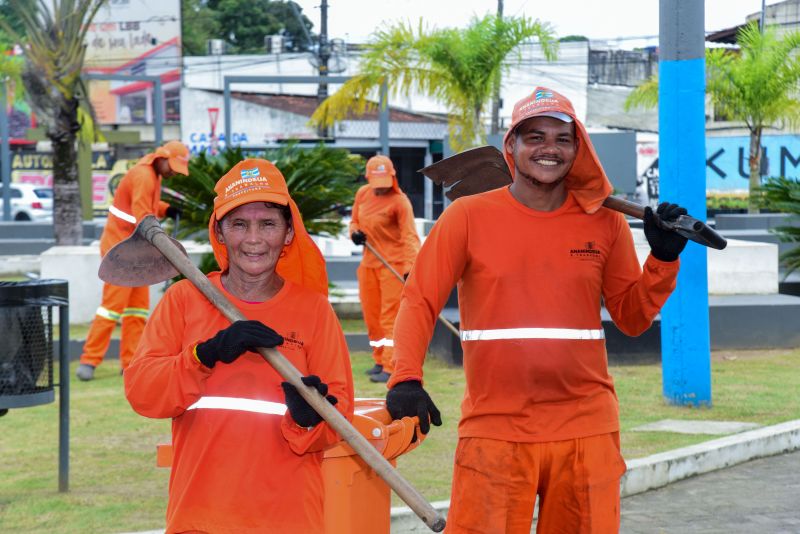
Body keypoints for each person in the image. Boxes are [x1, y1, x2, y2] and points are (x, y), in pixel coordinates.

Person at [385, 87, 689, 533]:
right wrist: (406, 377)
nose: (549, 148)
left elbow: (632, 316)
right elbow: (419, 299)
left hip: (587, 427)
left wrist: (661, 260)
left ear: (577, 147)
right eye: (535, 137)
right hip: (496, 426)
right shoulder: (468, 216)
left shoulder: (605, 222)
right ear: (511, 146)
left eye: (562, 139)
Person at [124, 158, 355, 533]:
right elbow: (143, 394)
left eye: (268, 224)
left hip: (289, 519)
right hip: (199, 518)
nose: (253, 239)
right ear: (219, 231)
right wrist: (205, 355)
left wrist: (310, 417)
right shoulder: (184, 300)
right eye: (239, 224)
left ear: (288, 234)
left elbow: (341, 418)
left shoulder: (313, 311)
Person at [76, 140, 190, 381]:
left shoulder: (151, 175)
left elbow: (146, 205)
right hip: (120, 252)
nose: (172, 173)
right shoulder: (144, 176)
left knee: (137, 310)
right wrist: (160, 238)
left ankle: (130, 362)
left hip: (134, 251)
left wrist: (166, 209)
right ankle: (89, 361)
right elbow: (141, 213)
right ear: (162, 157)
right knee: (111, 309)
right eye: (173, 167)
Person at [349, 155, 420, 383]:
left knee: (389, 317)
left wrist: (411, 268)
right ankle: (379, 360)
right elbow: (354, 222)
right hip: (369, 264)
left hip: (393, 266)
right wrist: (355, 234)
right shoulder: (362, 194)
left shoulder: (400, 202)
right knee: (372, 318)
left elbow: (410, 237)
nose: (380, 189)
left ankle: (391, 366)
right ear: (368, 178)